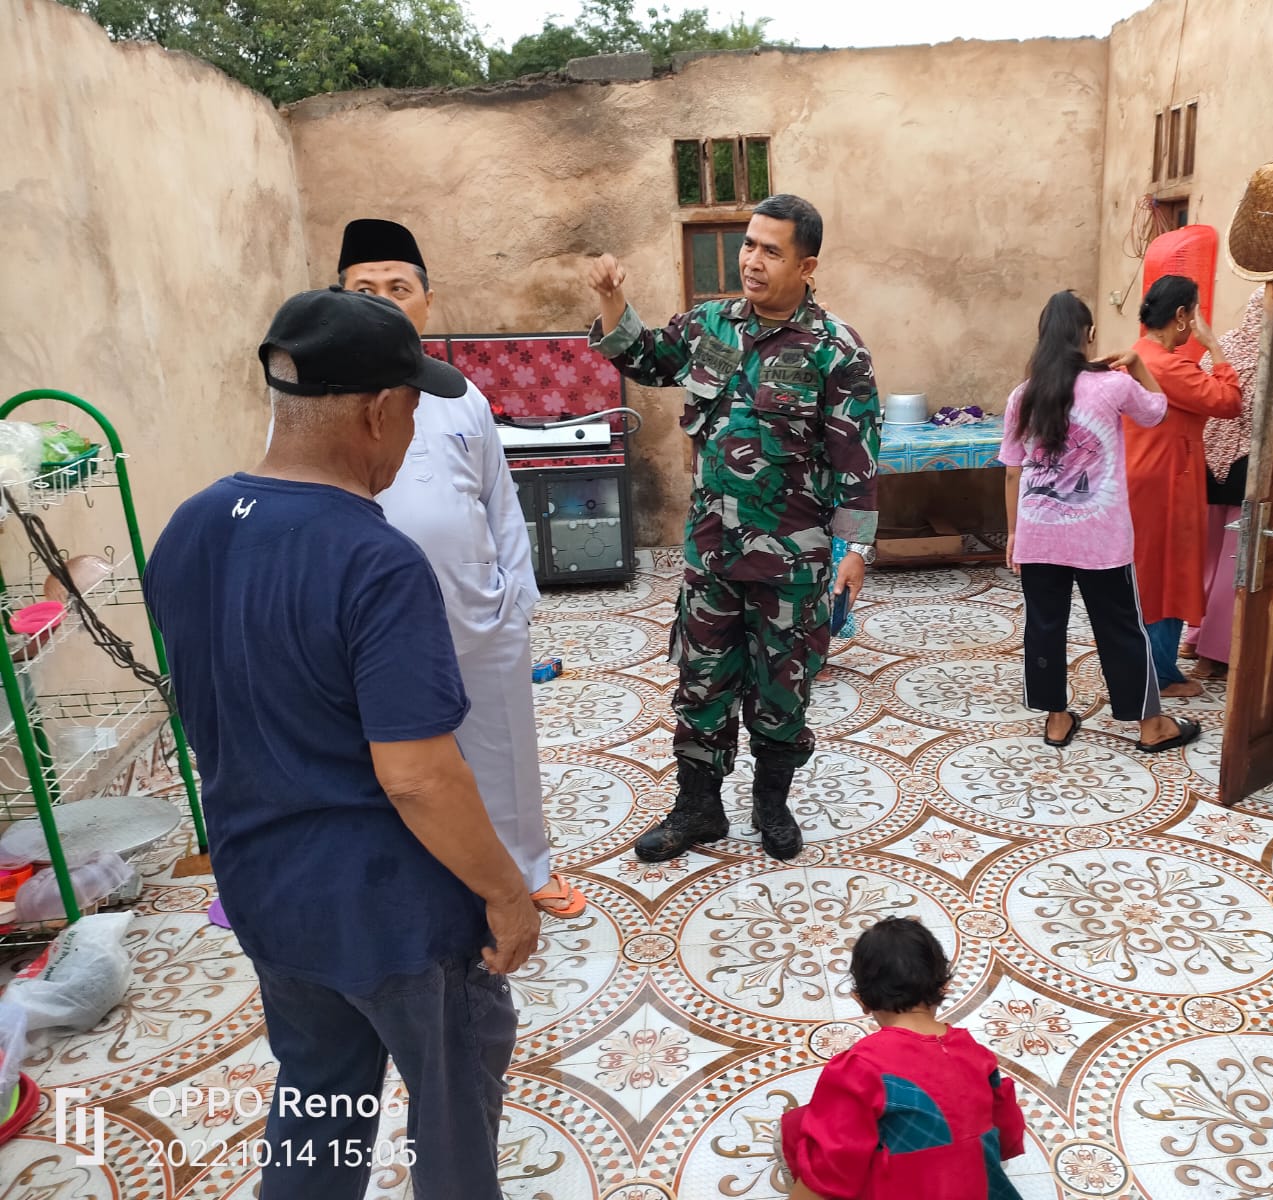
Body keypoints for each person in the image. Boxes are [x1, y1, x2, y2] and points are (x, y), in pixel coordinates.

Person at [144, 287, 539, 1199]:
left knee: (318, 1096)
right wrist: (507, 894)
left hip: (267, 894)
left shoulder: (190, 527)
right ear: (377, 409)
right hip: (394, 914)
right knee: (450, 1112)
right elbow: (418, 776)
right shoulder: (376, 559)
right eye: (411, 408)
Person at [586, 194, 881, 864]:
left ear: (806, 265)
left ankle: (771, 806)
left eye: (770, 249)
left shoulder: (835, 351)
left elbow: (856, 458)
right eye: (749, 244)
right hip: (711, 557)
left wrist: (854, 550)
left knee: (783, 690)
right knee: (702, 683)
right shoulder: (710, 325)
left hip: (793, 565)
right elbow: (645, 357)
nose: (751, 259)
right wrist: (610, 298)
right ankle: (699, 809)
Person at [336, 218, 584, 918]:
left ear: (427, 301)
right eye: (365, 289)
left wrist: (517, 596)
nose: (385, 300)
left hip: (478, 606)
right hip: (375, 620)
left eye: (398, 287)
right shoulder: (318, 401)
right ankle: (417, 882)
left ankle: (526, 868)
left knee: (502, 749)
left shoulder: (457, 394)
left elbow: (499, 500)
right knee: (396, 760)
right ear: (340, 297)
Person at [1001, 290, 1201, 753]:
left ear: (1042, 338)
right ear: (1088, 336)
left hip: (1040, 532)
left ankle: (1055, 720)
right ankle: (1151, 727)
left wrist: (1013, 532)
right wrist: (1139, 365)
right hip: (1100, 538)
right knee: (1120, 628)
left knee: (1045, 625)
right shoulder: (1112, 384)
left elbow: (1013, 470)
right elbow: (1157, 412)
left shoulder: (1021, 396)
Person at [777, 917, 1028, 1199]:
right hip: (980, 1189)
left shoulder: (861, 1067)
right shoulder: (977, 1056)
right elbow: (1007, 1136)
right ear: (943, 988)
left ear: (861, 999)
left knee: (797, 1125)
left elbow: (829, 1171)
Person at [1125, 274, 1243, 697]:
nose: (1196, 321)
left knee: (1148, 574)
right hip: (1167, 484)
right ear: (1181, 316)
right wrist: (1213, 346)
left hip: (1143, 477)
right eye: (1194, 313)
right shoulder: (1167, 365)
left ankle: (1150, 665)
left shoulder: (1140, 354)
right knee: (1167, 576)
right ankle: (1159, 674)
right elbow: (1228, 402)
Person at [1184, 285, 1265, 677]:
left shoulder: (1224, 347)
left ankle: (1195, 635)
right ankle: (1214, 653)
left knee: (1208, 555)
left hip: (1206, 463)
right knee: (1234, 560)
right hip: (1245, 467)